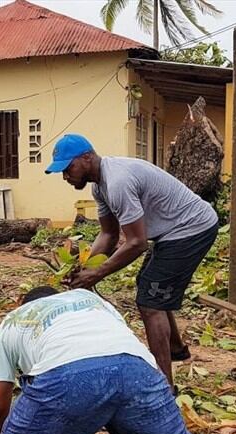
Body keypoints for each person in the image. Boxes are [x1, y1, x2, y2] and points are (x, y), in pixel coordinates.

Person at [0, 286, 218, 434]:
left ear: (24, 305)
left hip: (66, 374)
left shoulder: (14, 320)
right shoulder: (92, 301)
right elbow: (111, 357)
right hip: (138, 369)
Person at [46, 134, 219, 386]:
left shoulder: (118, 182)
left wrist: (97, 274)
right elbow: (109, 234)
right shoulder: (100, 187)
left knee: (150, 303)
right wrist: (83, 268)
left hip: (192, 228)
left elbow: (137, 243)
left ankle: (163, 385)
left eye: (68, 168)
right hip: (171, 231)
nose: (65, 176)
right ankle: (176, 348)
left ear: (87, 158)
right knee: (150, 286)